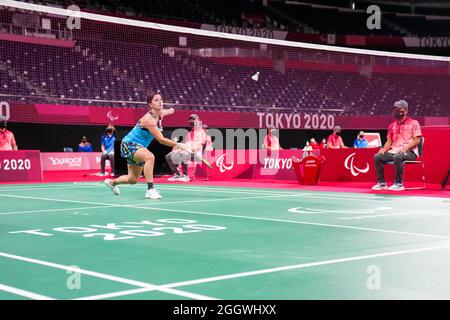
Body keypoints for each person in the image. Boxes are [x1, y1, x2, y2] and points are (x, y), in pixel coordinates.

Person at [103, 91, 190, 199]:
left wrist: (172, 110)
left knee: (132, 179)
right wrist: (179, 144)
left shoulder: (161, 113)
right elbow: (161, 139)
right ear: (150, 104)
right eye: (156, 100)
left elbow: (168, 111)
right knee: (150, 157)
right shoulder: (148, 119)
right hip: (129, 144)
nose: (160, 102)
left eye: (161, 99)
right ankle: (150, 189)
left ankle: (112, 183)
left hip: (139, 147)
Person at [372, 100, 422, 191]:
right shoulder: (392, 125)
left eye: (399, 109)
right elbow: (389, 141)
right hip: (394, 151)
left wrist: (405, 147)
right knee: (377, 157)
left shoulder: (414, 123)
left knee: (397, 157)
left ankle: (399, 183)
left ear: (406, 110)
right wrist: (384, 149)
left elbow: (417, 140)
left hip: (409, 152)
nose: (397, 111)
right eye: (395, 109)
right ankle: (381, 183)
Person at [165, 114, 207, 182]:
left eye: (194, 119)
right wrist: (178, 150)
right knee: (169, 156)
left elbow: (198, 146)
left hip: (197, 154)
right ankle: (177, 174)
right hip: (187, 151)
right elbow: (186, 145)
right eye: (190, 119)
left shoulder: (202, 132)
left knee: (183, 154)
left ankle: (185, 175)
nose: (192, 121)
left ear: (198, 121)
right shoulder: (189, 134)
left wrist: (184, 150)